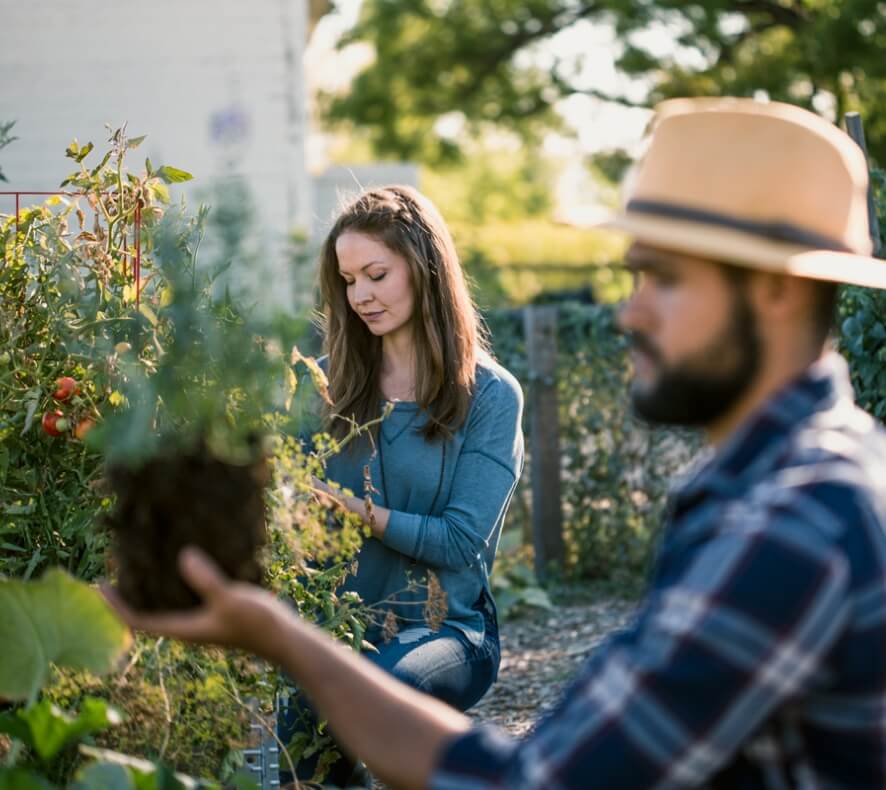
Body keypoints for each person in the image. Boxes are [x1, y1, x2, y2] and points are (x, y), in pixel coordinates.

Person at [106, 98, 886, 788]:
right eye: (634, 277)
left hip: (441, 629)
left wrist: (282, 637)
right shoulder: (785, 485)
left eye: (666, 280)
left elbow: (536, 778)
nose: (628, 315)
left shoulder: (796, 527)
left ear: (779, 289)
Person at [280, 185, 524, 784]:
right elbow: (293, 509)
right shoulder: (327, 391)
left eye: (376, 274)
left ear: (425, 267)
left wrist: (361, 513)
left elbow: (461, 540)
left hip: (446, 633)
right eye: (347, 280)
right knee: (300, 749)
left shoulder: (491, 397)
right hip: (340, 632)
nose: (360, 295)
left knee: (371, 697)